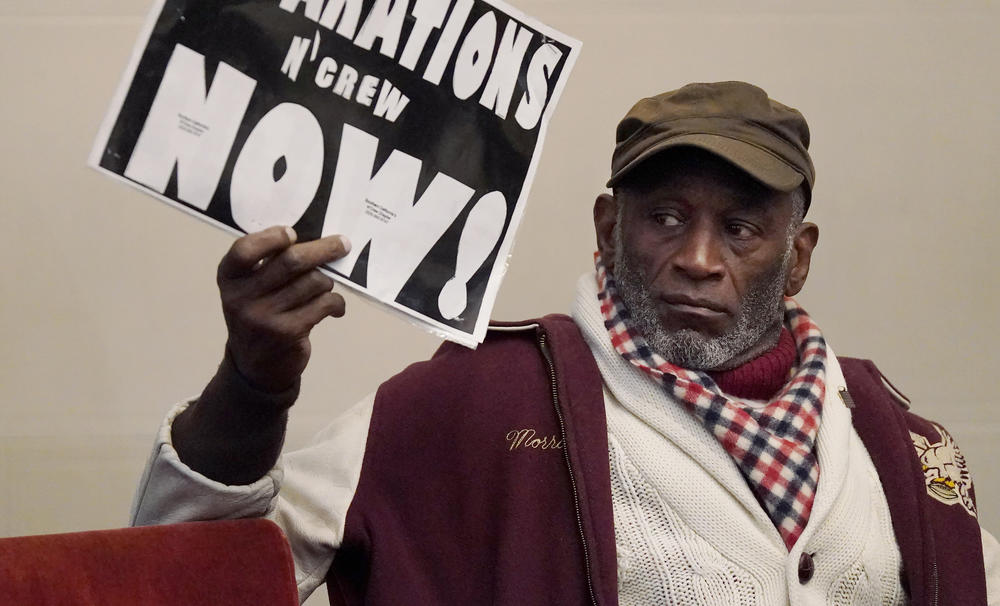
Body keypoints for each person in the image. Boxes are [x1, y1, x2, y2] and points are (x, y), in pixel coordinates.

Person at [131, 81, 999, 605]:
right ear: (607, 227)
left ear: (797, 258)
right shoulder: (462, 407)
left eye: (741, 229)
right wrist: (252, 386)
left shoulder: (896, 447)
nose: (698, 260)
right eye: (664, 218)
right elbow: (186, 581)